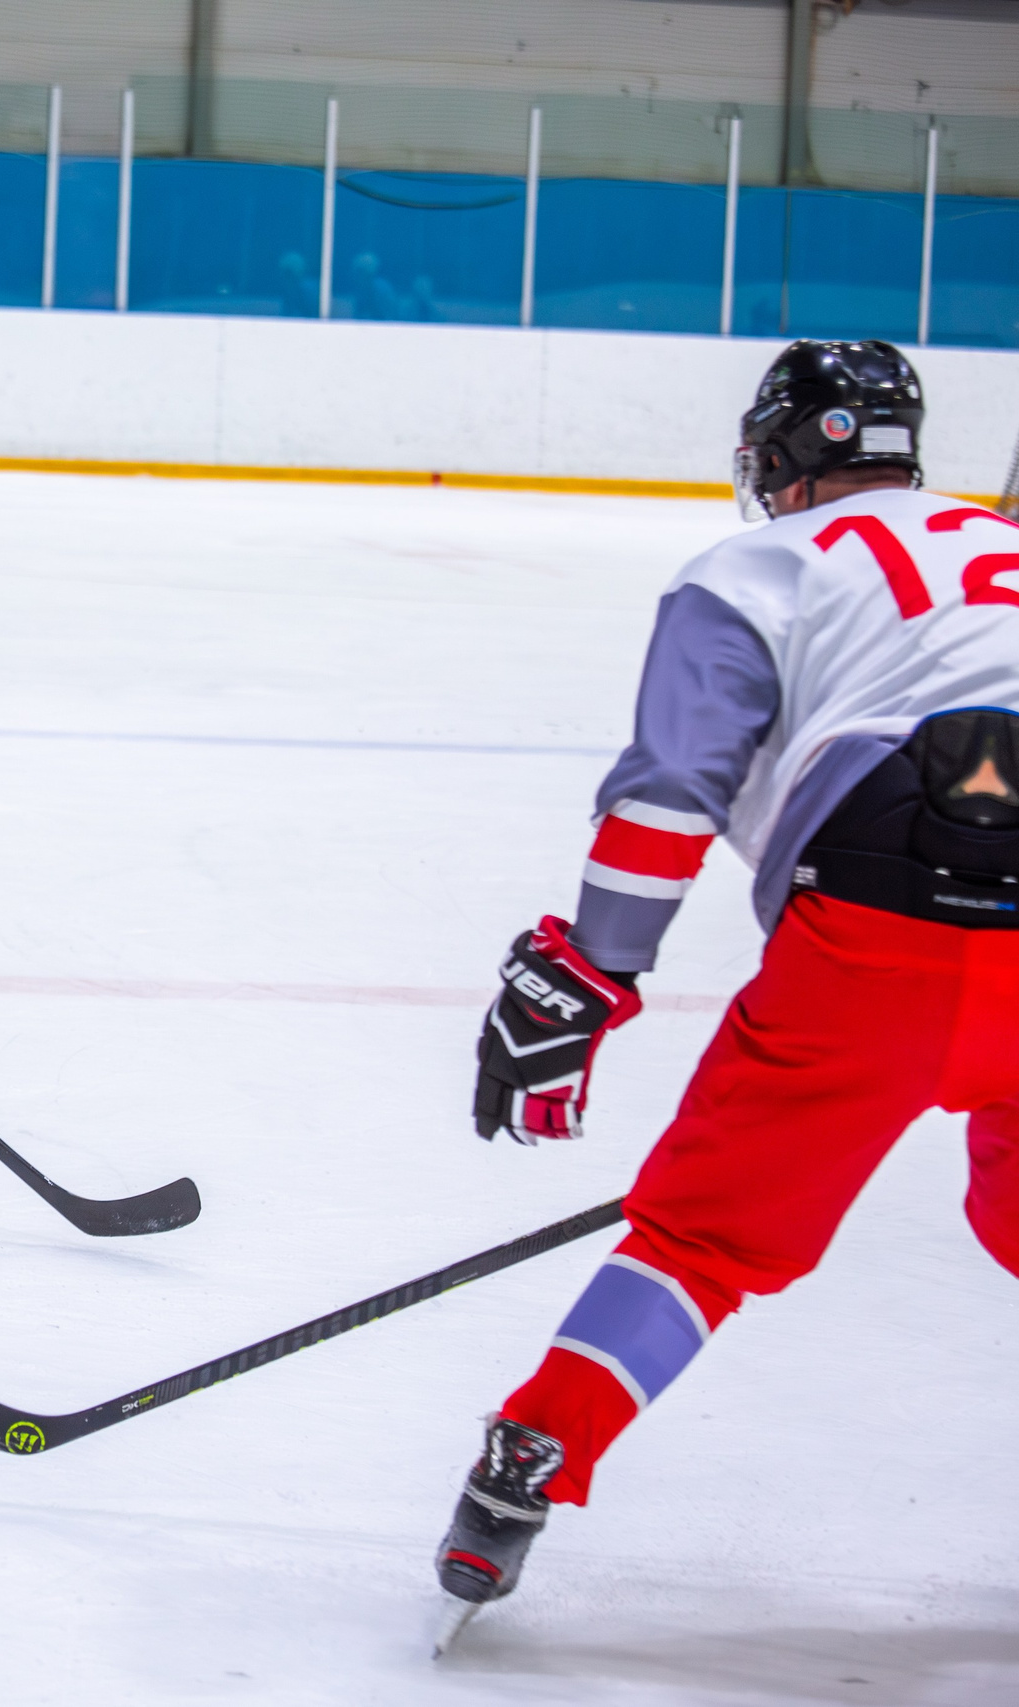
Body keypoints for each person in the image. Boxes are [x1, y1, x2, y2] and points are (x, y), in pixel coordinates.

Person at [437, 340, 1019, 1617]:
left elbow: (665, 799)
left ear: (788, 453)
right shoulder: (998, 548)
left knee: (701, 1242)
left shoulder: (759, 564)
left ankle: (537, 1450)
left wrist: (585, 977)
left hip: (877, 937)